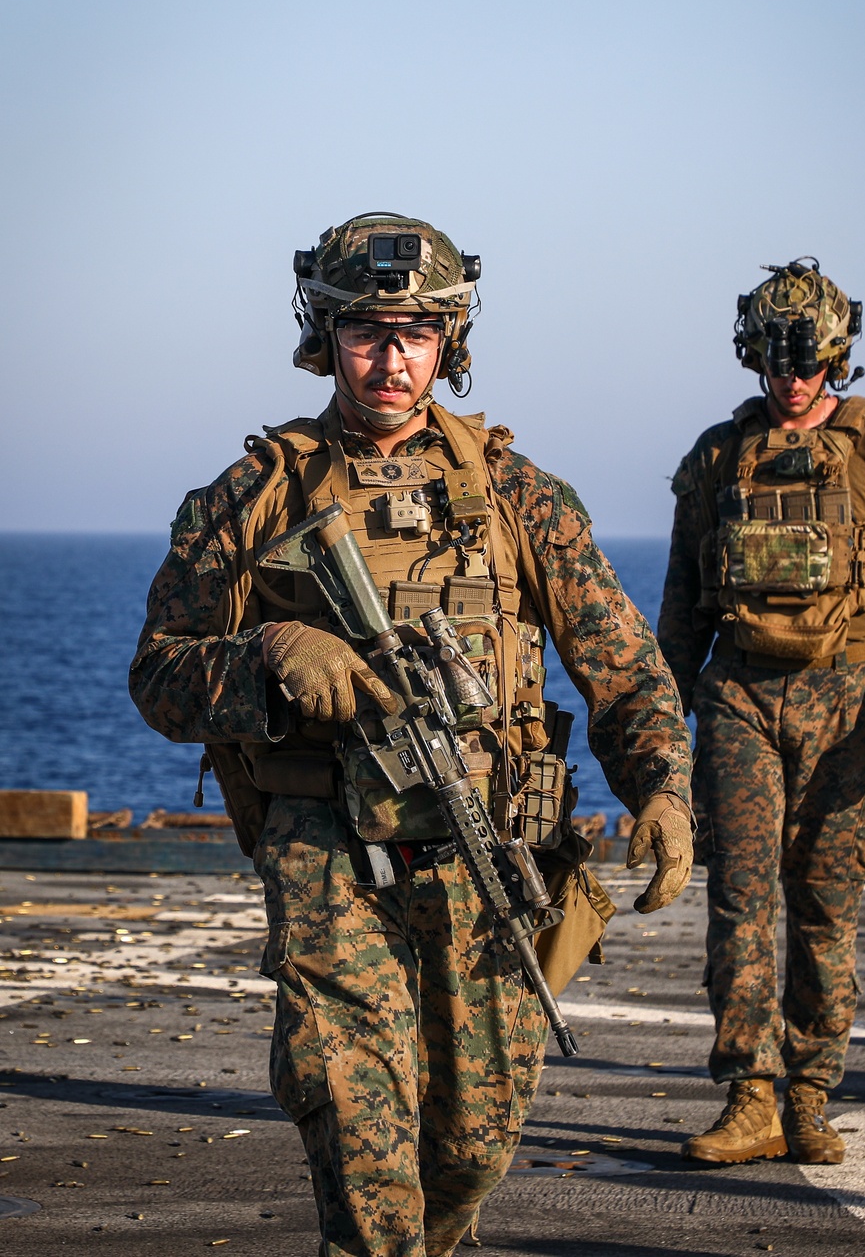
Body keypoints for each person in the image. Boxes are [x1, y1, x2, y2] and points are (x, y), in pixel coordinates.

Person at [130, 211, 694, 1257]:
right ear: (325, 334)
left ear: (449, 343)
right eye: (366, 332)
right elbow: (159, 673)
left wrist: (662, 788)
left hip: (485, 856)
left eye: (414, 334)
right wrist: (269, 656)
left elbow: (622, 667)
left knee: (471, 1148)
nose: (391, 359)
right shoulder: (253, 496)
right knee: (356, 1128)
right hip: (330, 857)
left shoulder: (520, 498)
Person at [657, 258, 865, 1167]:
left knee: (827, 907)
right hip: (740, 695)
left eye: (812, 363)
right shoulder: (719, 456)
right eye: (777, 361)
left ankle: (808, 1094)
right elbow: (682, 600)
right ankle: (750, 1096)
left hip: (845, 698)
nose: (794, 380)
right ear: (753, 357)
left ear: (838, 358)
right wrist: (653, 721)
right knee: (741, 899)